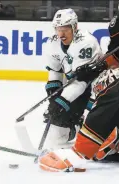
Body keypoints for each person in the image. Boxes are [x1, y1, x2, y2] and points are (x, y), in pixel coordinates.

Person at [43, 8, 104, 148]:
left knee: (97, 134)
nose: (61, 34)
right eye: (58, 29)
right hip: (73, 88)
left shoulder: (86, 42)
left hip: (96, 86)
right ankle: (75, 126)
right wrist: (53, 95)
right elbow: (55, 71)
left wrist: (62, 101)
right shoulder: (52, 43)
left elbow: (81, 81)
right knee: (57, 136)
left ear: (75, 27)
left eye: (65, 29)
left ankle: (88, 124)